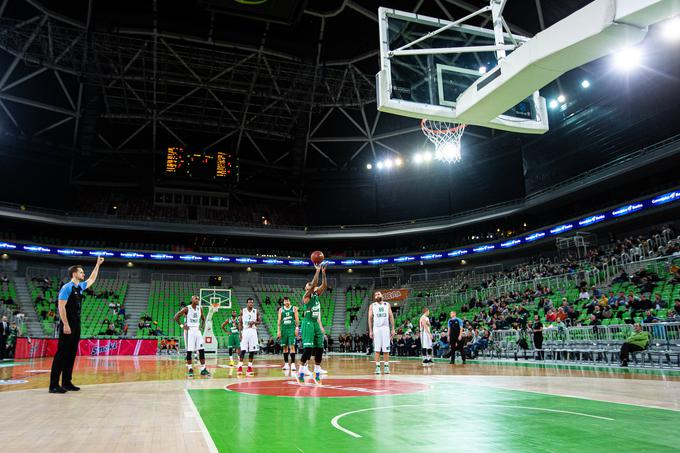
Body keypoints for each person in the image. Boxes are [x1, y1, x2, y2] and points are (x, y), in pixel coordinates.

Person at [49, 257, 104, 393]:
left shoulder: (79, 287)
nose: (83, 274)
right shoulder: (66, 288)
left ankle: (67, 382)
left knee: (71, 354)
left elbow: (91, 279)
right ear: (74, 274)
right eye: (81, 272)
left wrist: (97, 264)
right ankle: (53, 385)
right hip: (67, 323)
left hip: (76, 323)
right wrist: (66, 325)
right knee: (61, 354)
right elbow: (61, 307)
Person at [298, 263, 327, 384]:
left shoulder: (316, 295)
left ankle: (317, 372)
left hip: (315, 323)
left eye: (310, 285)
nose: (310, 286)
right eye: (308, 286)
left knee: (319, 349)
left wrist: (324, 273)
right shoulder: (306, 296)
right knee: (308, 349)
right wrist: (317, 271)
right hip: (308, 323)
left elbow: (324, 285)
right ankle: (300, 372)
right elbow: (314, 284)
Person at [173, 296, 210, 377]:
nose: (198, 300)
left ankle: (203, 369)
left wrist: (202, 327)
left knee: (201, 350)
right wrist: (182, 326)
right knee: (189, 351)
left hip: (197, 330)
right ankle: (190, 369)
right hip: (190, 331)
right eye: (196, 298)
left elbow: (203, 319)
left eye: (198, 299)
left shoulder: (200, 309)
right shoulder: (187, 308)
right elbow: (176, 317)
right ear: (192, 300)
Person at [368, 291, 395, 374]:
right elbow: (370, 318)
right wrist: (370, 331)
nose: (377, 295)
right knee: (377, 349)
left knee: (386, 349)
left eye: (378, 294)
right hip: (377, 328)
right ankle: (378, 367)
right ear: (374, 297)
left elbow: (391, 316)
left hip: (385, 328)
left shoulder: (387, 305)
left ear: (382, 295)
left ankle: (386, 367)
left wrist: (393, 329)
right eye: (375, 295)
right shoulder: (372, 306)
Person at [238, 298, 261, 375]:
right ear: (247, 303)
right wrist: (240, 333)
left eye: (252, 302)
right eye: (249, 302)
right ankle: (240, 366)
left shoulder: (256, 311)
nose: (251, 304)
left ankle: (249, 367)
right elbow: (240, 322)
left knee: (252, 351)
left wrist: (254, 322)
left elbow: (259, 321)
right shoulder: (243, 311)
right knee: (243, 350)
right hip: (245, 331)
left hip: (253, 331)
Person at [277, 296, 299, 372]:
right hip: (283, 329)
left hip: (291, 329)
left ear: (290, 301)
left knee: (292, 346)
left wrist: (297, 328)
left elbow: (297, 319)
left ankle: (293, 364)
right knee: (284, 347)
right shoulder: (281, 309)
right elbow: (279, 321)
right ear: (283, 302)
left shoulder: (294, 308)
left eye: (288, 301)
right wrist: (278, 330)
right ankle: (286, 364)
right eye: (285, 301)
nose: (286, 302)